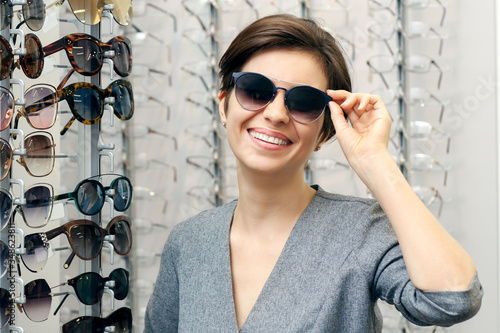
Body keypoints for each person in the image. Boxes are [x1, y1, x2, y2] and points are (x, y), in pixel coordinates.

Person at [144, 14, 482, 332]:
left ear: (324, 132)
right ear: (224, 104)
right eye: (255, 90)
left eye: (303, 101)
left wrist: (376, 161)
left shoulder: (361, 231)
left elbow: (452, 299)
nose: (276, 114)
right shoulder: (188, 243)